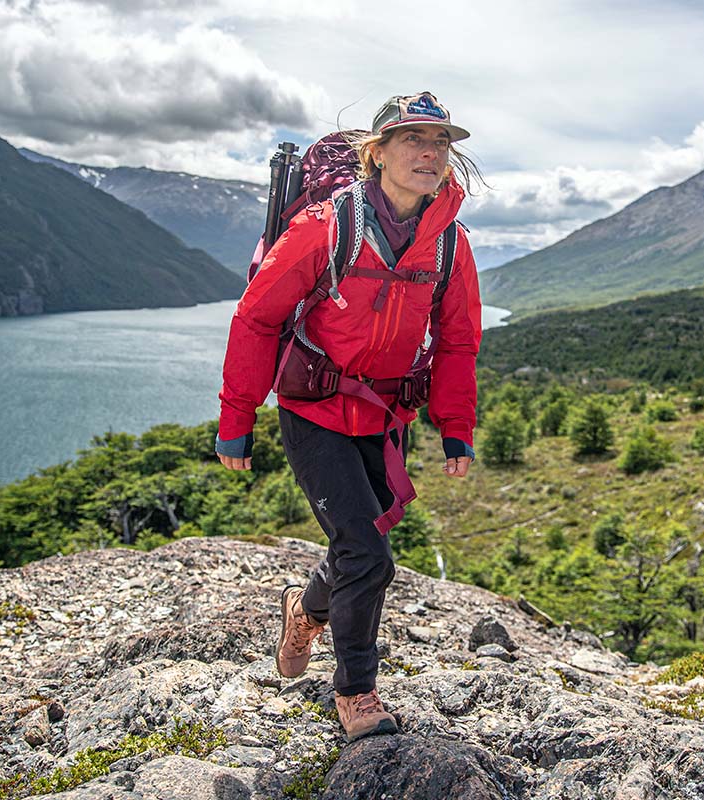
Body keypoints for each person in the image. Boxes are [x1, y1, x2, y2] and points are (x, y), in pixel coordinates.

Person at [215, 91, 482, 743]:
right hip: (314, 408)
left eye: (441, 142)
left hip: (386, 413)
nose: (429, 152)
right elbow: (257, 316)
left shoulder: (449, 243)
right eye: (413, 140)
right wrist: (236, 416)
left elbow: (457, 340)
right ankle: (357, 691)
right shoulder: (326, 226)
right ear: (379, 152)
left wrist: (454, 426)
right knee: (369, 556)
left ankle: (302, 616)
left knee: (353, 546)